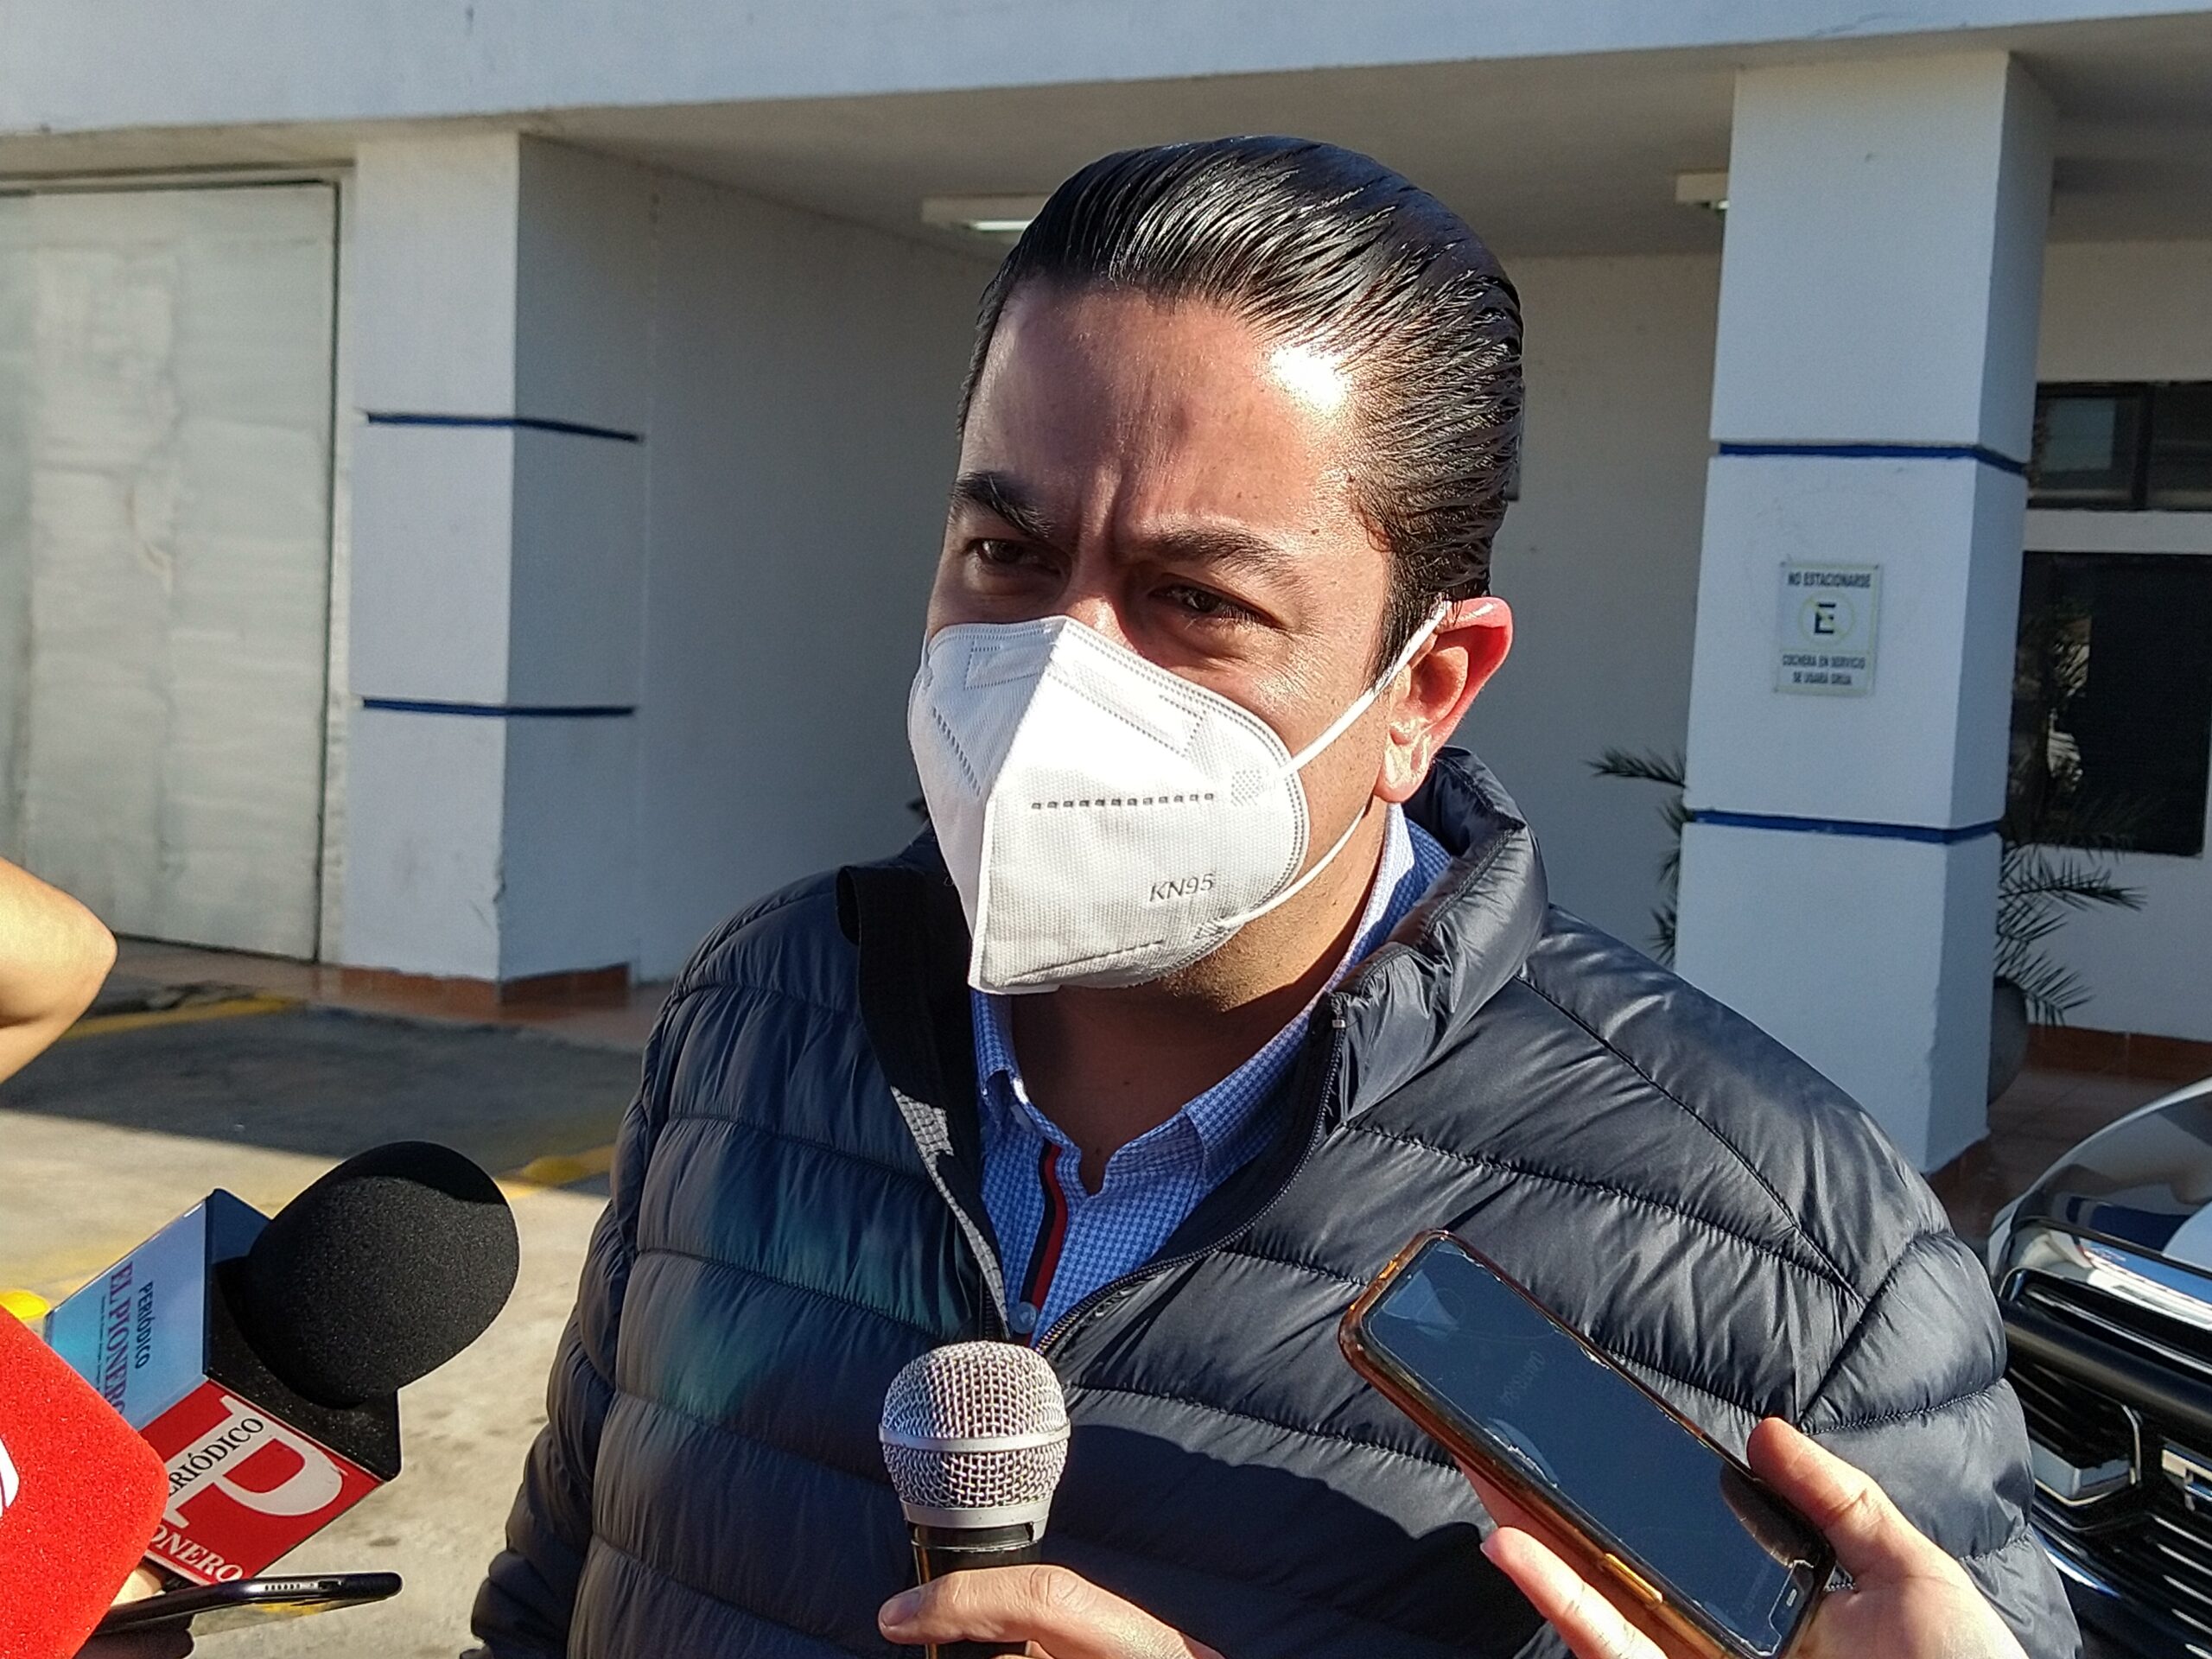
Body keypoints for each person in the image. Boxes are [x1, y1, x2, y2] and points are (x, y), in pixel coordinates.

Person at [472, 137, 2075, 1658]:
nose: (1054, 679)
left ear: (1425, 689)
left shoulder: (1796, 1274)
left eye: (1196, 599)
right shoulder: (759, 1014)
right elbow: (553, 1604)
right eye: (1007, 553)